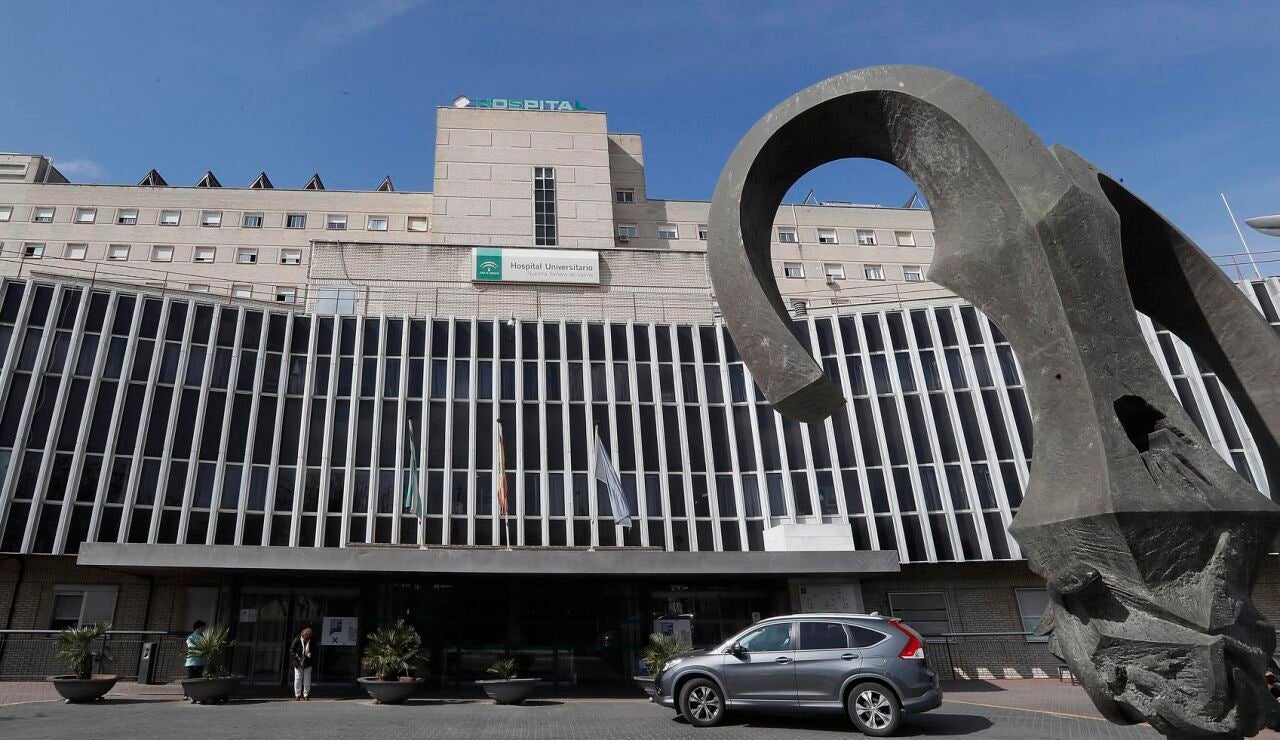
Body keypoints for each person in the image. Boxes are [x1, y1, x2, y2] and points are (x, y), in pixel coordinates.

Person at [290, 626, 316, 701]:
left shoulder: (312, 640)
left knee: (307, 678)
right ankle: (297, 695)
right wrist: (296, 655)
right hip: (298, 662)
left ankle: (306, 695)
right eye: (304, 637)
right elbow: (291, 650)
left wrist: (310, 653)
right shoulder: (297, 639)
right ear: (302, 635)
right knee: (298, 678)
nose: (305, 639)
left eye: (307, 638)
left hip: (308, 662)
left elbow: (314, 650)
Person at [184, 620, 207, 702]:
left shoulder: (203, 636)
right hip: (192, 661)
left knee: (198, 678)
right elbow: (191, 646)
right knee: (190, 678)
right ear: (197, 627)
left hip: (200, 661)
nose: (203, 629)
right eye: (202, 628)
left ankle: (196, 695)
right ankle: (186, 694)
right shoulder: (191, 637)